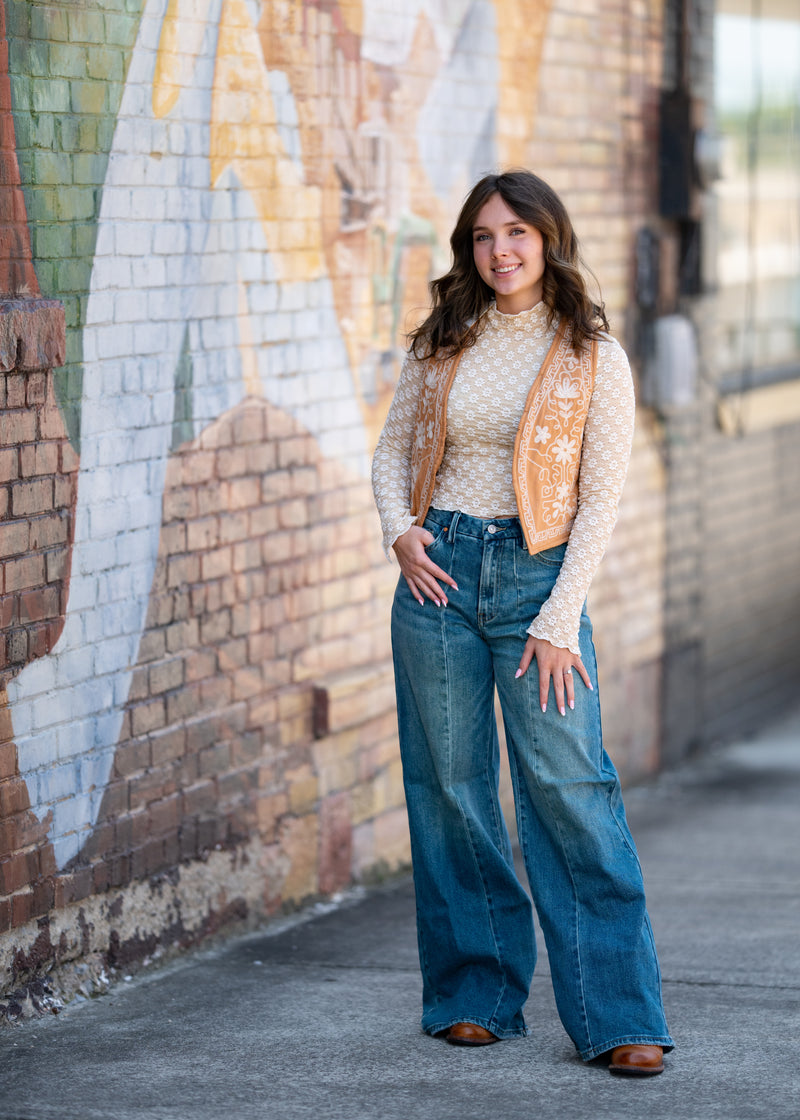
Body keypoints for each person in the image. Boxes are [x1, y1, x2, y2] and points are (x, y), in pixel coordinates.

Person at [371, 170, 674, 1075]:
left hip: (540, 580)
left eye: (517, 234)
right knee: (450, 788)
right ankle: (475, 993)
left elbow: (600, 499)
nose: (500, 252)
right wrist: (401, 534)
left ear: (548, 239)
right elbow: (392, 451)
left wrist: (558, 616)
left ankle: (619, 1014)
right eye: (482, 237)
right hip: (439, 581)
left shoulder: (592, 354)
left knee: (569, 789)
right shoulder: (443, 341)